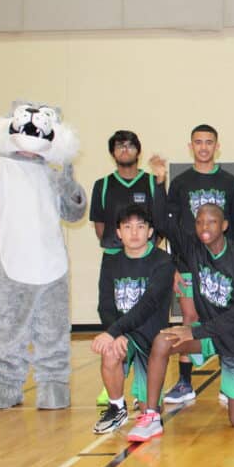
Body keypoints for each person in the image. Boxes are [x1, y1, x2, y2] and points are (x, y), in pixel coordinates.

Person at [127, 203, 234, 442]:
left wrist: (197, 331)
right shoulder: (193, 248)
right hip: (206, 335)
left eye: (211, 222)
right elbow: (163, 220)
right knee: (161, 342)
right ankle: (151, 416)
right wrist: (159, 184)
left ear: (224, 226)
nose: (204, 227)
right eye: (199, 222)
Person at [163, 124, 234, 405]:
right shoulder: (180, 183)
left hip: (222, 265)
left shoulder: (230, 182)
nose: (203, 147)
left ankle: (228, 382)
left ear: (216, 146)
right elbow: (171, 230)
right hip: (188, 264)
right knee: (189, 318)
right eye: (198, 142)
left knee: (224, 321)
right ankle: (185, 382)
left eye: (208, 142)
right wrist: (174, 266)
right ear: (191, 147)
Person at [88, 130, 168, 406]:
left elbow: (160, 217)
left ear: (138, 150)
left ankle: (143, 381)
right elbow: (100, 226)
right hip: (117, 257)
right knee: (114, 312)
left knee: (146, 313)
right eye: (119, 146)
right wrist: (117, 247)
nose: (125, 149)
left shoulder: (150, 181)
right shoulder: (103, 185)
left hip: (147, 259)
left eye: (130, 145)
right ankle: (115, 380)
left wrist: (160, 182)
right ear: (112, 153)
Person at [90, 204, 174, 433]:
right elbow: (105, 304)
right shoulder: (111, 262)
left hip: (150, 337)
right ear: (118, 232)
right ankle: (117, 408)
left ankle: (147, 399)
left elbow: (147, 306)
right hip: (124, 334)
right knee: (109, 351)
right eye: (127, 227)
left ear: (150, 231)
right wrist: (114, 335)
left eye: (140, 226)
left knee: (152, 409)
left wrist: (113, 332)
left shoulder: (163, 262)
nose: (134, 233)